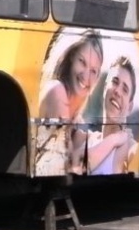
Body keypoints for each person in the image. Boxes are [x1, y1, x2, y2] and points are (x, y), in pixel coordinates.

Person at [35, 31, 103, 176]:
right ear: (71, 56)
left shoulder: (77, 117)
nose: (86, 76)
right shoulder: (57, 90)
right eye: (82, 62)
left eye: (93, 71)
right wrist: (114, 140)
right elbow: (67, 167)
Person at [71, 56, 139, 175]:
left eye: (125, 89)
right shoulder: (84, 139)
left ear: (129, 107)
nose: (117, 91)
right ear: (104, 89)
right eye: (115, 82)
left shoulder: (130, 150)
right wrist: (114, 139)